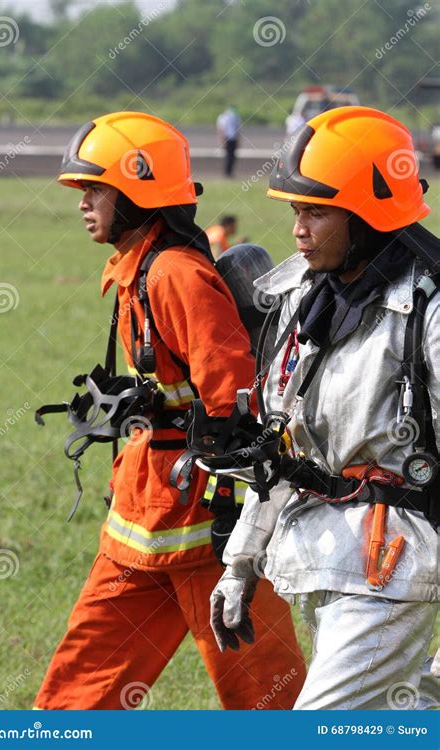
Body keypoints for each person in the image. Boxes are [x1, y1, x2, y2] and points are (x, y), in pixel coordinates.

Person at [33, 111, 305, 710]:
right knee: (77, 698)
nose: (82, 202)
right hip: (142, 519)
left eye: (94, 188)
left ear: (138, 190)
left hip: (210, 527)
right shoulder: (138, 269)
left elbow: (232, 391)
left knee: (267, 704)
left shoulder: (176, 274)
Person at [208, 106, 440, 709]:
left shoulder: (429, 313)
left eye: (315, 212)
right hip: (320, 559)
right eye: (294, 212)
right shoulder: (304, 302)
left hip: (392, 571)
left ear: (367, 217)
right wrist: (240, 563)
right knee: (397, 718)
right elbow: (282, 448)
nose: (297, 230)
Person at [216, 106, 241, 177]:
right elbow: (221, 130)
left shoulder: (235, 117)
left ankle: (230, 172)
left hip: (233, 139)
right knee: (229, 156)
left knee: (232, 156)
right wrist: (223, 141)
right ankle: (227, 172)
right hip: (227, 138)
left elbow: (237, 130)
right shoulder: (224, 117)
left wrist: (238, 140)